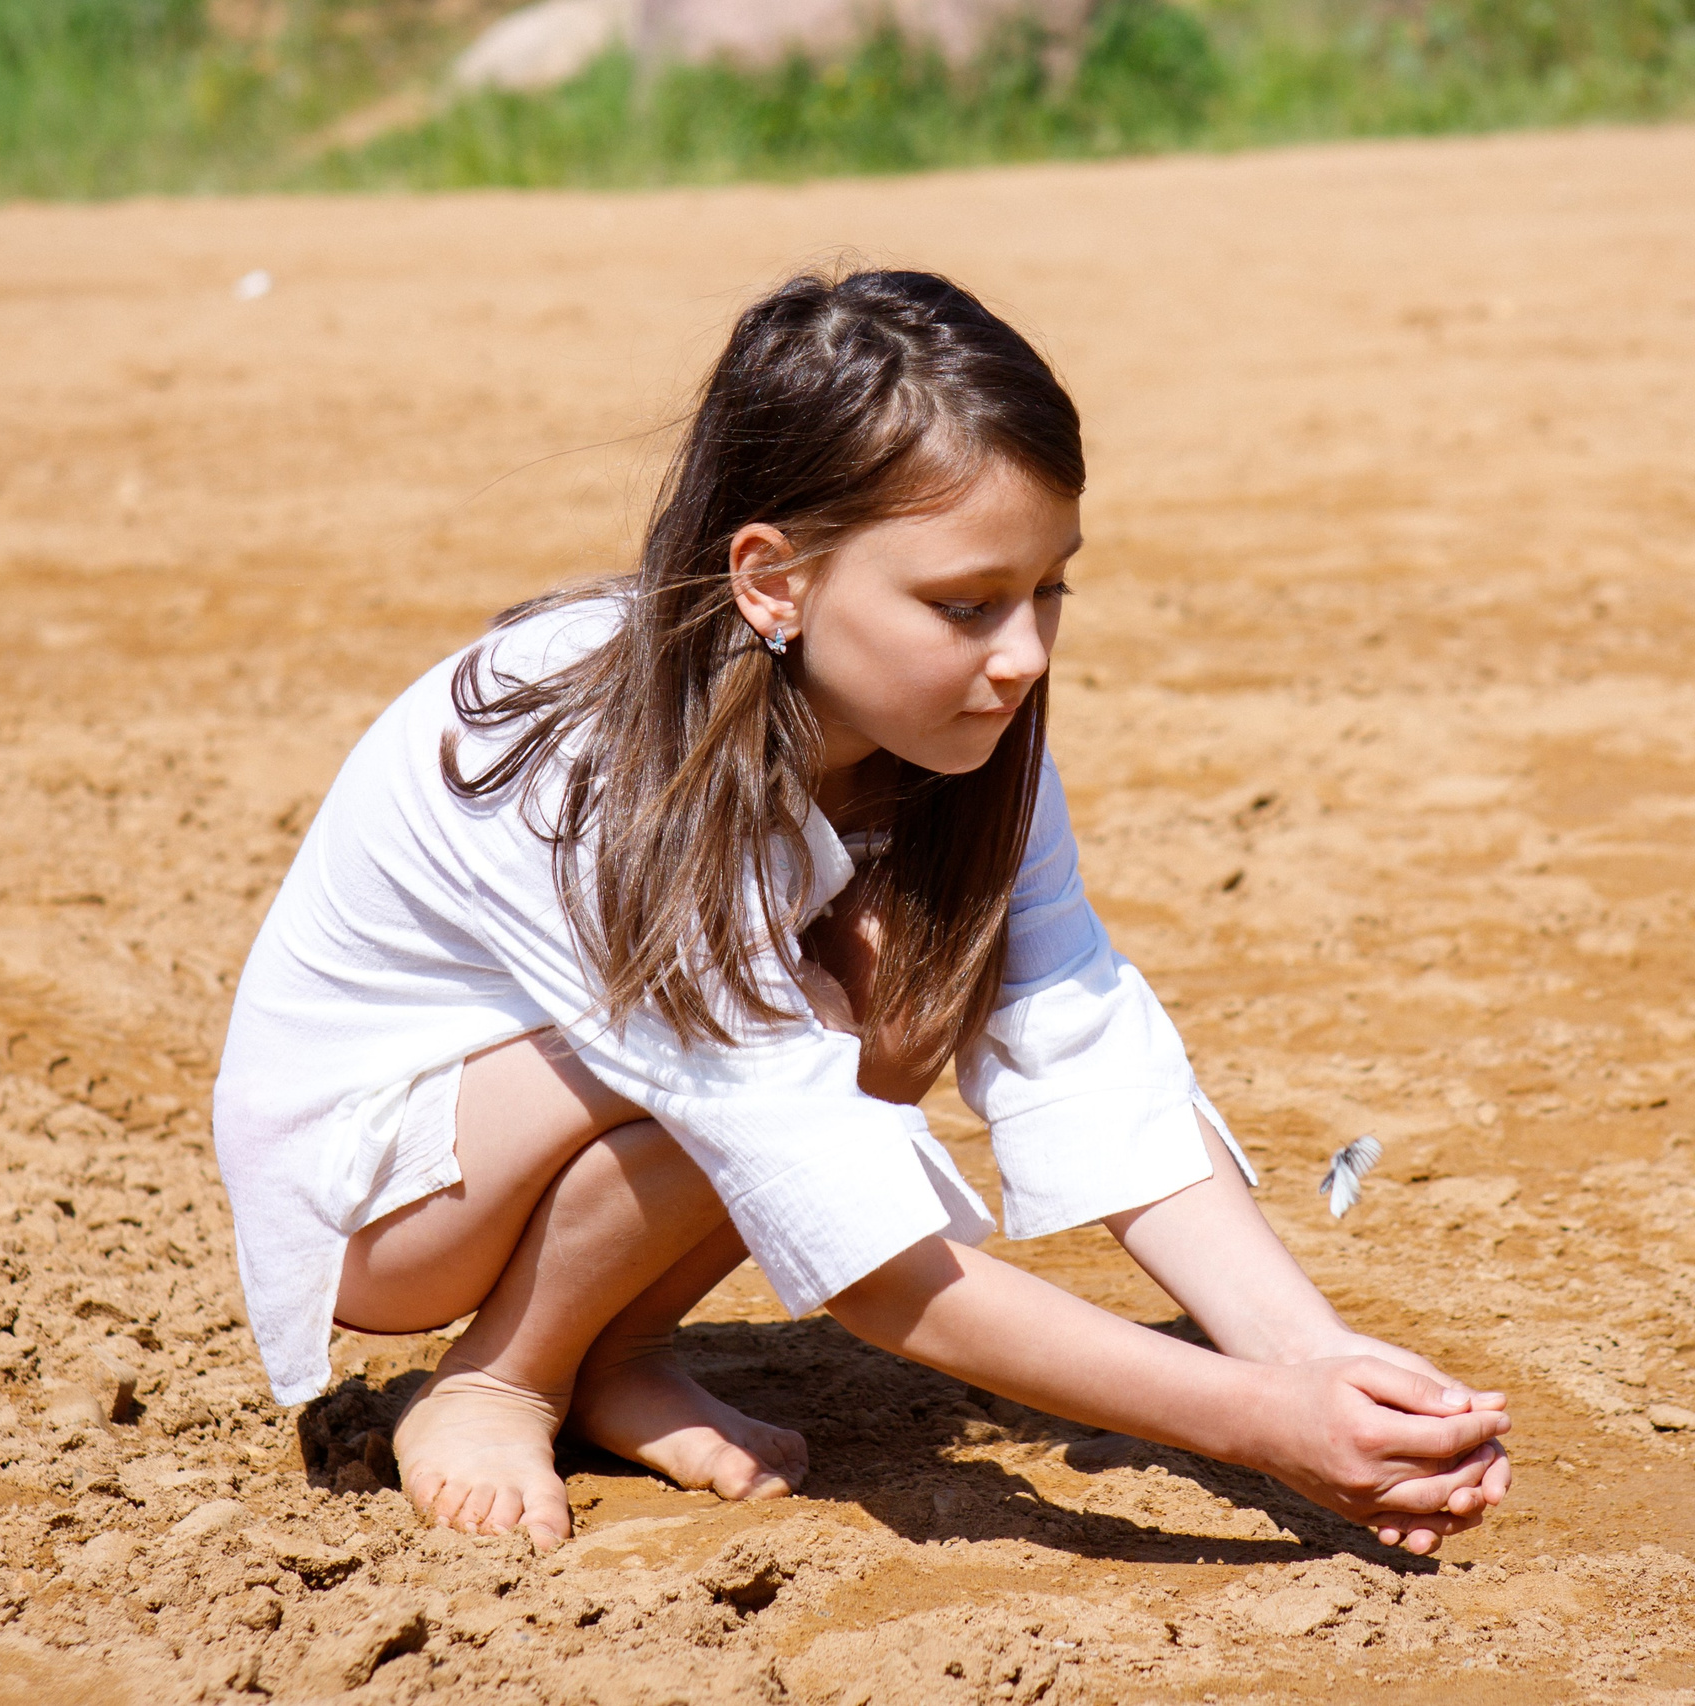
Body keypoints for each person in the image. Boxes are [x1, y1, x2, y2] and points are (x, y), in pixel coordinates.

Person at [212, 268, 1513, 1555]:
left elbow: (1088, 1050)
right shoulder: (595, 755)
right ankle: (503, 1377)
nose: (1026, 653)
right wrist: (1257, 1420)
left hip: (593, 1097)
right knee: (814, 1025)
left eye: (1049, 587)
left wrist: (1309, 1353)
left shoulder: (966, 733)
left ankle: (618, 1347)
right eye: (964, 605)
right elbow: (846, 1224)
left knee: (900, 977)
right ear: (772, 579)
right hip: (391, 1199)